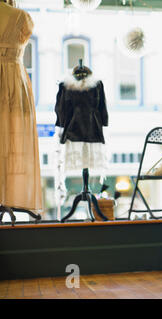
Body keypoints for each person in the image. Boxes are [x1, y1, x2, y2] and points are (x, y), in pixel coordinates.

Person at [0, 0, 43, 224]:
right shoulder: (20, 17)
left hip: (13, 83)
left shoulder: (19, 17)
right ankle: (8, 197)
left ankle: (7, 197)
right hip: (14, 83)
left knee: (10, 144)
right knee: (14, 142)